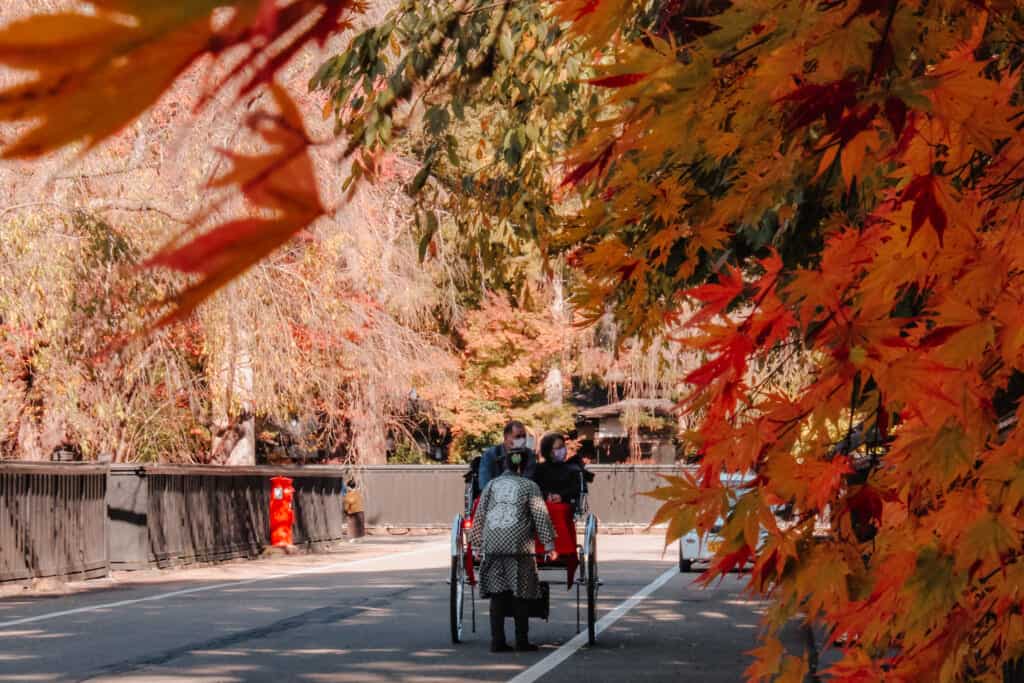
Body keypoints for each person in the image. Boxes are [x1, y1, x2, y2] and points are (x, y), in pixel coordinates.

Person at [470, 448, 557, 652]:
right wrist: (549, 545)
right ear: (524, 466)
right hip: (518, 545)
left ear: (504, 465)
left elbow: (480, 515)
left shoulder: (491, 485)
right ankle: (521, 640)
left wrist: (476, 544)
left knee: (498, 593)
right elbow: (540, 516)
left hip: (492, 543)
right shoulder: (529, 486)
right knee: (520, 591)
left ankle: (497, 641)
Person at [535, 433, 594, 507]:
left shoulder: (573, 469)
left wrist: (562, 496)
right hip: (543, 509)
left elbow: (580, 489)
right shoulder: (539, 469)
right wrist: (546, 496)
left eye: (563, 447)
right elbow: (534, 489)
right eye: (558, 448)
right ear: (548, 450)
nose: (562, 450)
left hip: (567, 510)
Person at [478, 420, 538, 491]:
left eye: (524, 436)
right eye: (518, 437)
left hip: (521, 494)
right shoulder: (490, 455)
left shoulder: (529, 454)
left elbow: (529, 482)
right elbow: (484, 485)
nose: (522, 440)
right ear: (506, 437)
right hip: (496, 495)